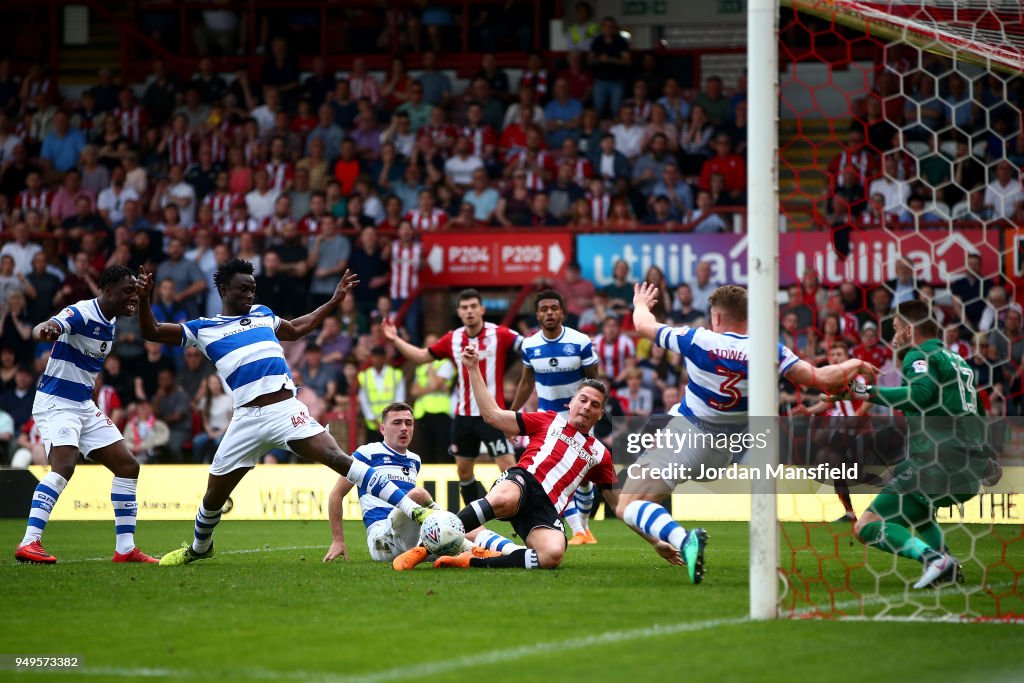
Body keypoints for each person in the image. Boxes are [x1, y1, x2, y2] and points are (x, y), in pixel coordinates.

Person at [137, 261, 433, 566]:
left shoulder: (263, 314)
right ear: (224, 290)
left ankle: (415, 510)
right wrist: (146, 298)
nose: (250, 294)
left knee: (340, 459)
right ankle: (200, 547)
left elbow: (297, 328)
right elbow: (153, 331)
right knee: (214, 494)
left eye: (252, 288)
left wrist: (333, 301)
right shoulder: (204, 328)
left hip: (285, 409)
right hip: (246, 419)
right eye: (243, 289)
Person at [619, 282, 879, 583]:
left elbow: (643, 324)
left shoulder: (697, 339)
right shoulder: (769, 350)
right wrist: (855, 363)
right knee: (644, 501)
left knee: (629, 504)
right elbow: (820, 379)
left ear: (716, 317)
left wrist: (640, 302)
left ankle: (681, 539)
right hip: (727, 448)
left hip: (689, 435)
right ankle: (668, 539)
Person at [426, 347, 629, 570]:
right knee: (504, 499)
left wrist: (657, 541)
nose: (587, 406)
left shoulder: (600, 453)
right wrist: (473, 368)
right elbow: (492, 415)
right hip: (524, 480)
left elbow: (620, 506)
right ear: (570, 403)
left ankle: (471, 558)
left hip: (546, 508)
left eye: (595, 405)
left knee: (551, 556)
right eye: (583, 400)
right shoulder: (548, 420)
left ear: (600, 415)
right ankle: (426, 546)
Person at [835, 300, 988, 589]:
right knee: (917, 508)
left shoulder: (918, 355)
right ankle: (946, 564)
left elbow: (919, 394)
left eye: (895, 329)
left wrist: (864, 391)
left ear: (909, 329)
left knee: (866, 525)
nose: (893, 337)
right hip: (967, 470)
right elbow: (977, 412)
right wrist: (986, 458)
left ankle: (934, 560)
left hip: (937, 464)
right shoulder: (958, 361)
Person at [14, 266, 158, 565]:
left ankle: (125, 549)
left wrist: (142, 297)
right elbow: (46, 326)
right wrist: (45, 330)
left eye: (136, 290)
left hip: (83, 404)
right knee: (64, 465)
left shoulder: (111, 321)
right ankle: (29, 542)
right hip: (57, 401)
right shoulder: (81, 313)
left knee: (128, 467)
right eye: (127, 291)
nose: (133, 296)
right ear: (106, 291)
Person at [323, 401, 518, 565]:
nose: (403, 428)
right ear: (382, 429)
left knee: (467, 526)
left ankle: (515, 552)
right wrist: (337, 540)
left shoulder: (414, 459)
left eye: (409, 423)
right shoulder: (367, 453)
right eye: (397, 423)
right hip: (382, 539)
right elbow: (336, 494)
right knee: (419, 496)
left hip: (409, 538)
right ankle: (457, 546)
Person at [383, 288, 522, 505]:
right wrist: (394, 340)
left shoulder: (500, 334)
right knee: (464, 471)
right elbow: (421, 356)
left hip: (493, 416)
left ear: (482, 310)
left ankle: (523, 519)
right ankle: (476, 522)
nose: (469, 311)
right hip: (464, 417)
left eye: (473, 307)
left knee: (510, 470)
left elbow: (528, 347)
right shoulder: (453, 338)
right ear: (459, 312)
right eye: (465, 308)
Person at [510, 290, 601, 546]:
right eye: (544, 309)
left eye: (554, 308)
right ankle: (577, 530)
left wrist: (590, 411)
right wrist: (513, 413)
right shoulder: (530, 345)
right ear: (537, 314)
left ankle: (583, 527)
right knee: (548, 476)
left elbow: (593, 380)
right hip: (546, 421)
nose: (549, 313)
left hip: (579, 420)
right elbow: (527, 382)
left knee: (582, 479)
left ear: (562, 312)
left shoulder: (580, 341)